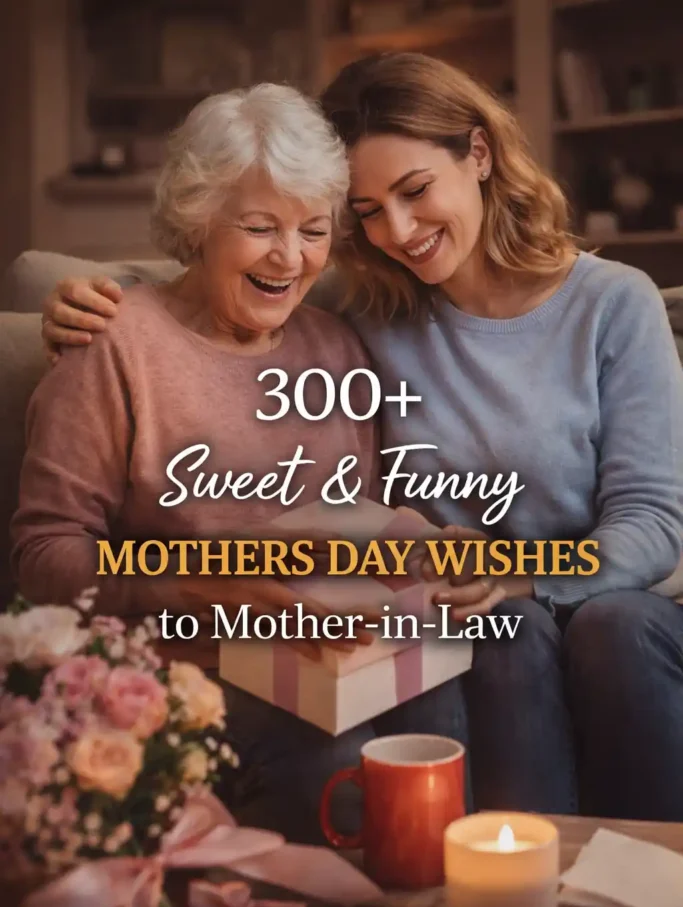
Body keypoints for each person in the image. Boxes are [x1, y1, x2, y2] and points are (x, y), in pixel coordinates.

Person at [40, 54, 683, 823]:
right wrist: (89, 300)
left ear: (477, 154)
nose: (397, 232)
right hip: (332, 634)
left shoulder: (591, 306)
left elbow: (649, 521)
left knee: (553, 631)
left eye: (319, 229)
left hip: (540, 599)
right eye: (369, 211)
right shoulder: (361, 311)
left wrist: (503, 574)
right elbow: (210, 289)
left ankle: (595, 886)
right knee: (485, 643)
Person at [11, 83, 469, 844]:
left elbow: (362, 515)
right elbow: (43, 555)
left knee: (443, 712)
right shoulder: (113, 345)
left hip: (337, 652)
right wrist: (197, 583)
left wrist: (420, 538)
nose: (290, 258)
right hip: (193, 676)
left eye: (312, 230)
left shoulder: (335, 347)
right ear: (198, 222)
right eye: (260, 228)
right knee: (339, 758)